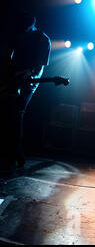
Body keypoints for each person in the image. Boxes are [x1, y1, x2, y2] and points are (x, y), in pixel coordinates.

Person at [0, 11, 51, 176]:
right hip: (12, 79)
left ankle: (13, 156)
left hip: (29, 81)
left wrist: (28, 75)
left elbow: (41, 66)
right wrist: (9, 73)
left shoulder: (43, 39)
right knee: (8, 112)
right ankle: (16, 152)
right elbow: (8, 56)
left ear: (33, 22)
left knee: (16, 112)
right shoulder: (18, 35)